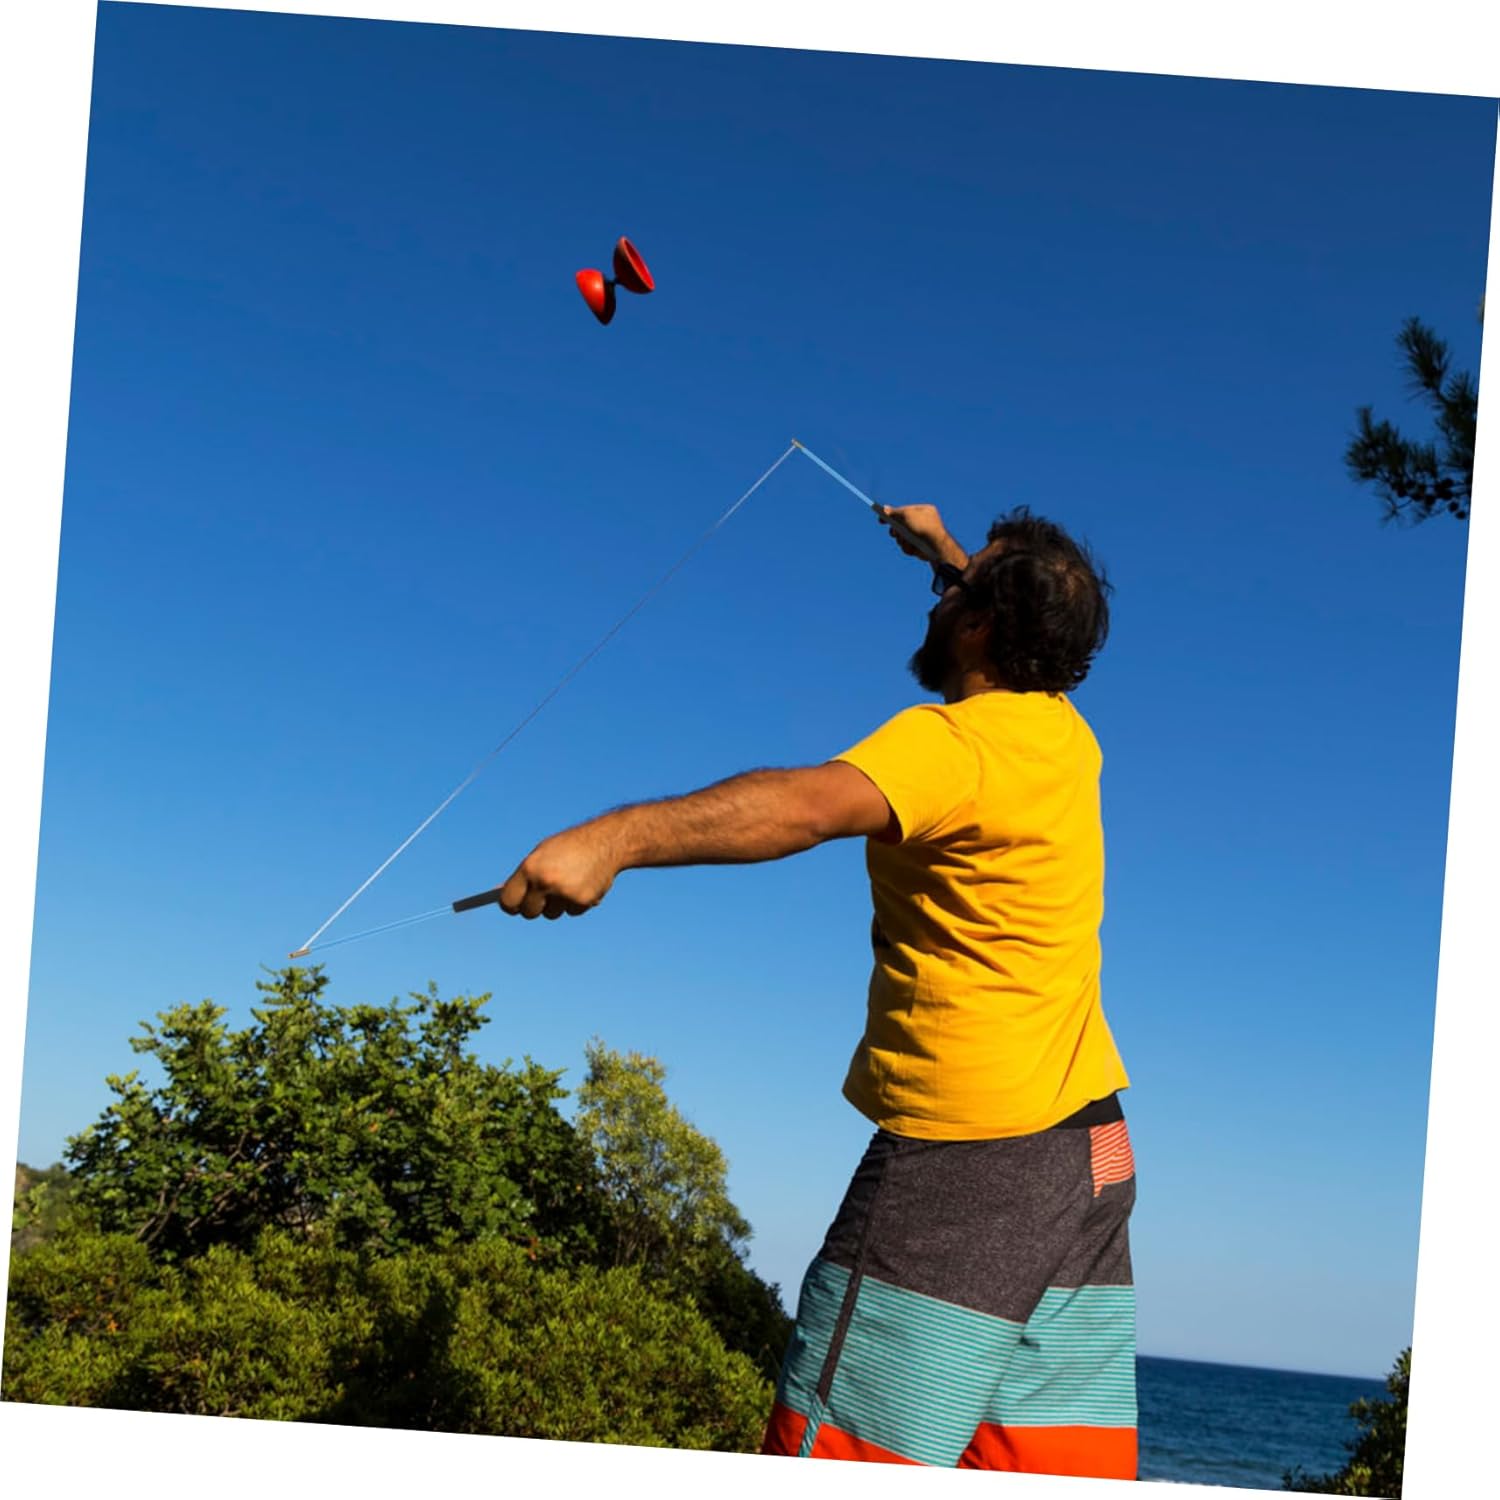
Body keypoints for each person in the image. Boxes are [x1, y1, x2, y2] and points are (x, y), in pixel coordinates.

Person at [495, 501, 1136, 1479]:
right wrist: (947, 553)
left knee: (836, 1467)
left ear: (979, 625)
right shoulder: (1062, 736)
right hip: (1088, 1157)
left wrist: (609, 840)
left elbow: (802, 808)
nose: (939, 597)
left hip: (966, 1171)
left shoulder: (952, 745)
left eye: (957, 588)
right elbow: (1018, 607)